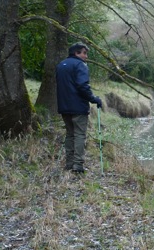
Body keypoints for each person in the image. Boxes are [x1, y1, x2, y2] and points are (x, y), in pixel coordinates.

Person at [56, 42, 103, 174]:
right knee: (79, 135)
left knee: (70, 134)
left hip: (64, 106)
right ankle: (78, 166)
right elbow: (83, 86)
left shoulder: (60, 65)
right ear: (76, 53)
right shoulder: (80, 65)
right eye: (84, 53)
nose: (86, 56)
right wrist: (94, 99)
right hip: (78, 107)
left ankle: (69, 164)